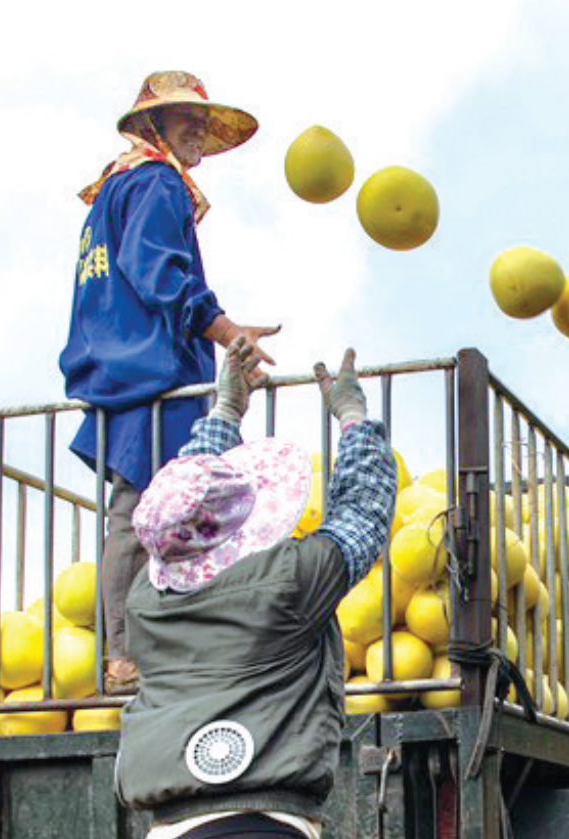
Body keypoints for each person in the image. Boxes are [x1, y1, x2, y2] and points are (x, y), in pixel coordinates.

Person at [115, 339, 397, 839]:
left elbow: (191, 503)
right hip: (262, 826)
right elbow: (363, 512)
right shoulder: (289, 581)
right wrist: (353, 417)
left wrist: (225, 411)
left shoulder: (145, 598)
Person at [59, 71, 281, 692]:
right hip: (149, 375)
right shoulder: (155, 183)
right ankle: (126, 655)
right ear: (151, 125)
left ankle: (162, 642)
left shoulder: (115, 188)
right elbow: (160, 274)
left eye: (203, 122)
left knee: (163, 511)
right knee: (141, 512)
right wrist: (226, 330)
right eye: (185, 118)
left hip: (122, 366)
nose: (199, 132)